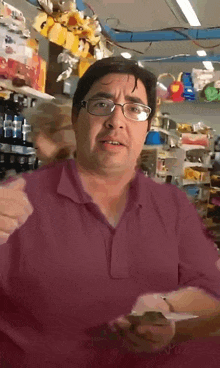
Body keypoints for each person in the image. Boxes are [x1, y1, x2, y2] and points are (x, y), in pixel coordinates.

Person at [0, 57, 220, 367]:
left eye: (134, 109)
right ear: (76, 118)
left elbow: (213, 292)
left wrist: (169, 315)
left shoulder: (173, 206)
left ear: (147, 128)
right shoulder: (16, 201)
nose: (116, 120)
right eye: (102, 104)